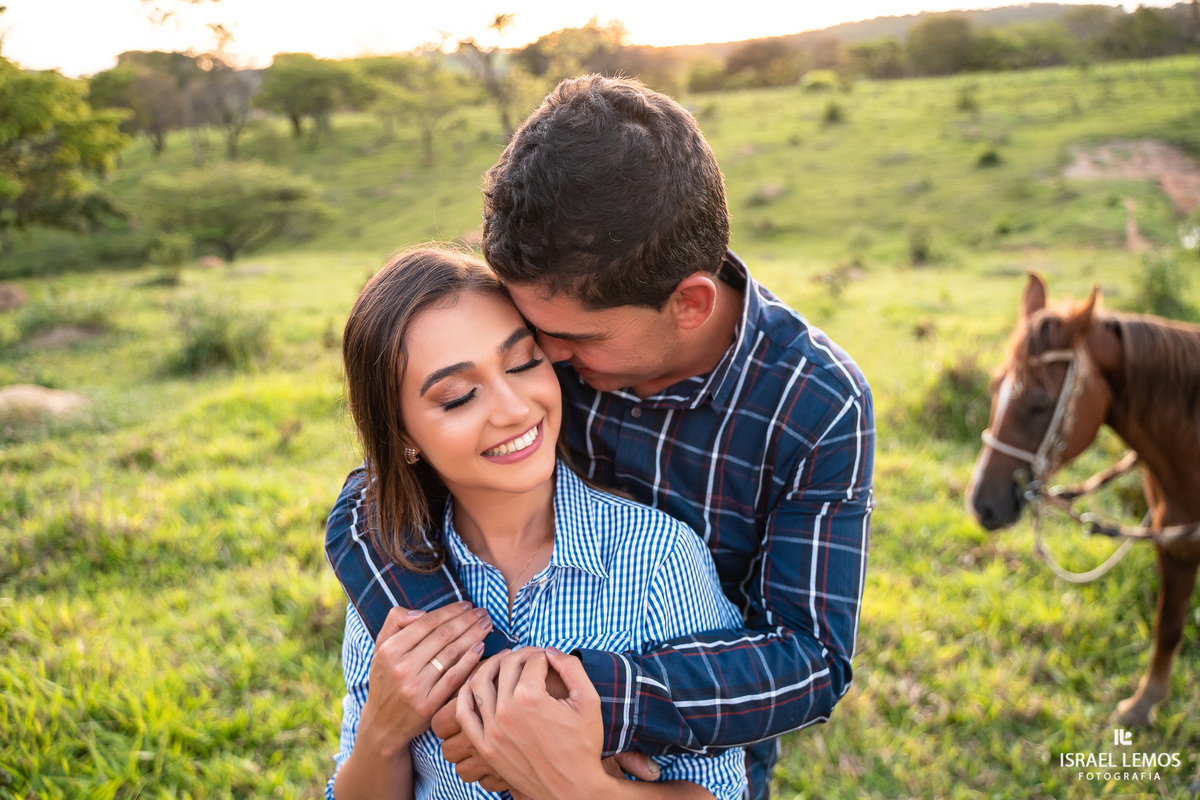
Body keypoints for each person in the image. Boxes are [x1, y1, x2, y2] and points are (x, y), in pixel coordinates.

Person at [325, 75, 874, 799]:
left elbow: (811, 661)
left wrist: (583, 707)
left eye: (554, 343)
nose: (544, 361)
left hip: (687, 737)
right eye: (528, 336)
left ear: (688, 304)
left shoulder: (816, 402)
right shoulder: (547, 348)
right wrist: (476, 677)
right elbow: (369, 506)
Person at [327, 247, 748, 800]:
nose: (514, 408)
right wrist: (381, 734)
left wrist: (574, 784)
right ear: (402, 436)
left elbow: (719, 789)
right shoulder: (390, 582)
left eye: (523, 362)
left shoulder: (657, 560)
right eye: (458, 397)